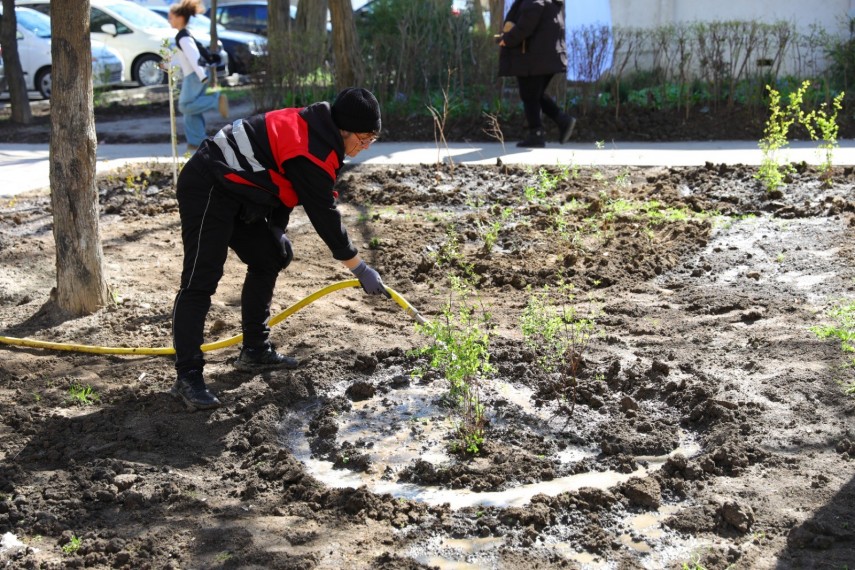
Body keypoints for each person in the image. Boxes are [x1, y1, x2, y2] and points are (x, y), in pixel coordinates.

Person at [170, 87, 389, 411]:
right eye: (364, 137)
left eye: (373, 138)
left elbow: (285, 182)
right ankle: (188, 378)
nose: (366, 145)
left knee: (272, 255)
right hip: (210, 184)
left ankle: (254, 351)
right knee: (201, 278)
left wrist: (274, 229)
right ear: (344, 128)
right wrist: (359, 267)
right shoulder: (311, 147)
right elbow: (323, 215)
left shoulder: (323, 135)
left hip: (240, 193)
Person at [498, 0, 576, 148]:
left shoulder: (535, 2)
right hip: (545, 57)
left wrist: (507, 39)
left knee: (529, 95)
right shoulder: (548, 3)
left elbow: (525, 26)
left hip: (534, 58)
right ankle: (561, 121)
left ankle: (538, 133)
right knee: (534, 95)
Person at [167, 0, 229, 152]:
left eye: (171, 17)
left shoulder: (183, 37)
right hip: (194, 75)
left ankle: (216, 100)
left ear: (180, 18)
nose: (169, 20)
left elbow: (194, 58)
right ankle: (197, 141)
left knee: (184, 106)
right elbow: (183, 58)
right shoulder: (182, 36)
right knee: (192, 113)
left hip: (194, 76)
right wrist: (167, 66)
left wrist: (202, 76)